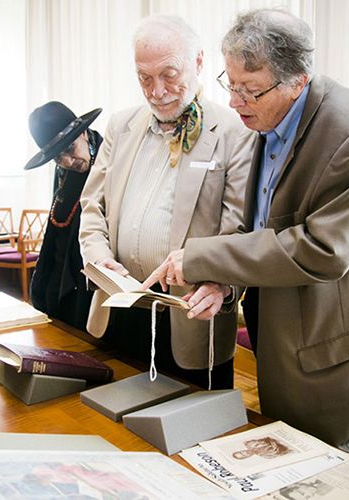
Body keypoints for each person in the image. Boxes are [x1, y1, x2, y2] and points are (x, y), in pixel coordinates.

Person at [143, 8, 349, 456]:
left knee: (326, 475)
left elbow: (322, 249)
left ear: (298, 80)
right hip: (280, 345)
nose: (235, 101)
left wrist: (204, 259)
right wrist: (224, 280)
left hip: (328, 354)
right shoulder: (265, 116)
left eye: (249, 90)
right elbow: (258, 224)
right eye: (230, 84)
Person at [79, 14, 254, 390]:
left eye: (169, 74)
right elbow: (93, 206)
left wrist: (221, 284)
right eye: (145, 78)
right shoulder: (120, 126)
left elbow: (239, 229)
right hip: (120, 307)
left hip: (189, 316)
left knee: (189, 436)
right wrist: (96, 255)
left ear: (199, 62)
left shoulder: (235, 131)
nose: (157, 90)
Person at [25, 101, 101, 331]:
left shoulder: (110, 161)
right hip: (60, 268)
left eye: (70, 149)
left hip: (92, 272)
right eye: (58, 158)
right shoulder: (64, 172)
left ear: (85, 134)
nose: (67, 162)